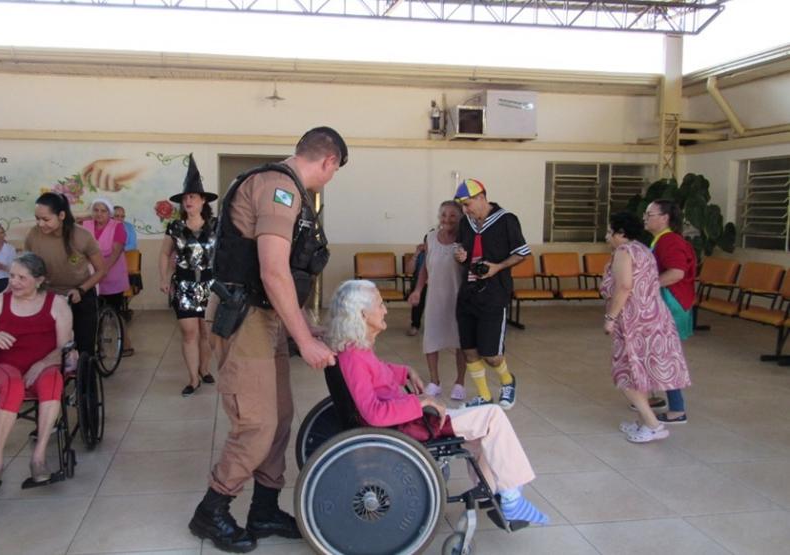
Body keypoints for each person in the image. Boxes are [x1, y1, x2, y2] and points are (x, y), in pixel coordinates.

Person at [189, 126, 346, 553]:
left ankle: (264, 509)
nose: (330, 179)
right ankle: (212, 510)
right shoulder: (280, 188)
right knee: (256, 423)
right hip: (246, 321)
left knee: (279, 418)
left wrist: (302, 325)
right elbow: (272, 271)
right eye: (334, 172)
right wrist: (306, 342)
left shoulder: (285, 188)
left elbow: (284, 279)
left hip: (265, 317)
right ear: (328, 161)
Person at [330, 280, 548, 525]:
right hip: (409, 424)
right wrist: (420, 402)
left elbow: (377, 374)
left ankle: (492, 488)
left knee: (479, 431)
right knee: (492, 416)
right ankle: (511, 501)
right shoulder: (355, 357)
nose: (386, 310)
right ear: (362, 314)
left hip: (409, 416)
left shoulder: (355, 350)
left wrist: (405, 371)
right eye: (380, 305)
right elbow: (374, 414)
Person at [0, 253, 73, 489]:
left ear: (39, 280)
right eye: (12, 276)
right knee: (13, 386)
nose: (14, 282)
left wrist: (43, 363)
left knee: (53, 383)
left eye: (22, 278)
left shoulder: (57, 304)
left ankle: (38, 458)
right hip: (3, 366)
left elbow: (64, 347)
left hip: (44, 365)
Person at [602, 212, 692, 443]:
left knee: (625, 374)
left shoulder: (624, 252)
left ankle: (653, 425)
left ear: (621, 233)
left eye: (610, 231)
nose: (606, 236)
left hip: (635, 321)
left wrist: (611, 317)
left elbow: (624, 287)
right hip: (653, 316)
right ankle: (646, 421)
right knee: (639, 372)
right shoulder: (642, 249)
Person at [453, 179, 530, 409]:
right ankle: (484, 395)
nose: (465, 210)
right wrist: (462, 255)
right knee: (469, 350)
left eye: (468, 205)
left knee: (491, 353)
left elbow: (522, 253)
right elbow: (462, 248)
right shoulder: (466, 223)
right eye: (463, 206)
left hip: (494, 294)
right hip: (467, 293)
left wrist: (497, 267)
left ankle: (507, 381)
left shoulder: (507, 220)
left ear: (481, 198)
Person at [159, 154, 218, 396]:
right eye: (185, 198)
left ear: (203, 200)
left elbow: (226, 254)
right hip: (184, 284)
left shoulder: (216, 225)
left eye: (192, 196)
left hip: (210, 285)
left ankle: (204, 369)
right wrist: (164, 279)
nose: (188, 201)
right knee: (189, 332)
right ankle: (193, 378)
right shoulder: (175, 227)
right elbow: (164, 254)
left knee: (206, 331)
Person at [25, 192, 106, 355]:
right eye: (37, 219)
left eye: (46, 219)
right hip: (47, 297)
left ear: (61, 215)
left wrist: (81, 290)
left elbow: (101, 270)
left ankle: (86, 377)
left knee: (84, 349)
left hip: (80, 296)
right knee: (49, 348)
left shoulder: (82, 236)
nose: (40, 224)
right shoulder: (34, 235)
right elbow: (27, 267)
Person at [408, 201, 467, 400]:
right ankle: (435, 381)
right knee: (431, 339)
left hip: (460, 297)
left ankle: (460, 383)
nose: (447, 219)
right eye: (443, 215)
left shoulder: (465, 238)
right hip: (435, 297)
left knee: (461, 341)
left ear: (460, 218)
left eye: (452, 215)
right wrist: (417, 290)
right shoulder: (431, 237)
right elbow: (424, 267)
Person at [644, 200, 696, 424]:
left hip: (672, 303)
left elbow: (676, 273)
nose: (645, 217)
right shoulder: (661, 239)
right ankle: (656, 396)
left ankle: (677, 409)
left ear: (664, 218)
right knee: (656, 351)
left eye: (649, 214)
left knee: (666, 354)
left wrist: (647, 286)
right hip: (665, 302)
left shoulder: (671, 241)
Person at [82, 197, 134, 356]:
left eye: (103, 211)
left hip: (112, 275)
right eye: (96, 210)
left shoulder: (117, 226)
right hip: (91, 276)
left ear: (109, 213)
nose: (99, 214)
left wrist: (103, 270)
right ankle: (99, 348)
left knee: (115, 311)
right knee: (93, 314)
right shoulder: (85, 225)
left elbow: (116, 252)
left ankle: (126, 346)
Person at [406, 239, 427, 337]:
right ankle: (415, 325)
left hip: (437, 285)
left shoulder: (440, 254)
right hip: (421, 284)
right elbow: (409, 271)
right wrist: (416, 253)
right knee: (419, 292)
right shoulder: (421, 255)